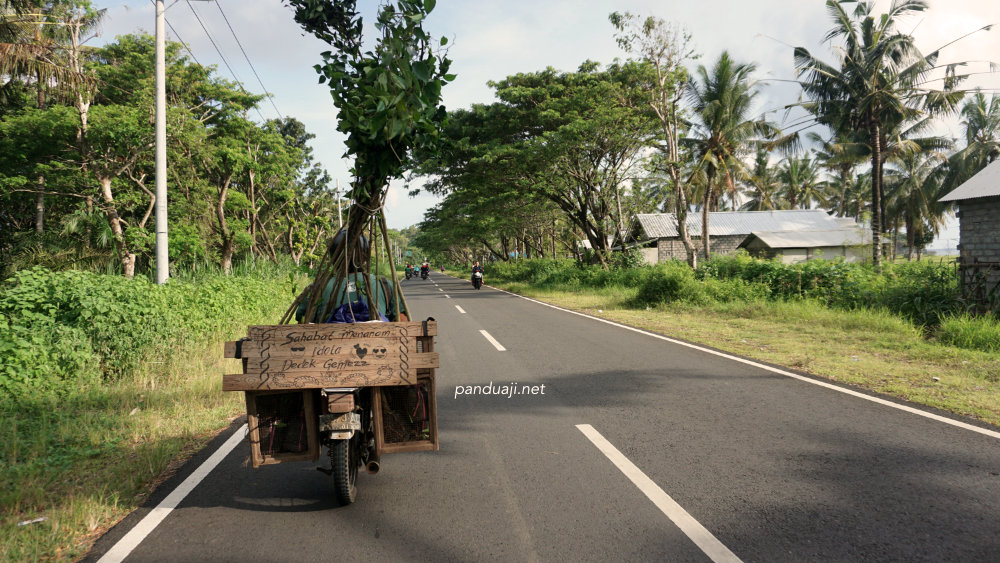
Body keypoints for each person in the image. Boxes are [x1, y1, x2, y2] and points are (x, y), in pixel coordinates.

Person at [295, 229, 407, 323]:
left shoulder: (317, 287)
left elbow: (303, 324)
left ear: (333, 256)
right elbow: (402, 321)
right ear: (365, 256)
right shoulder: (384, 285)